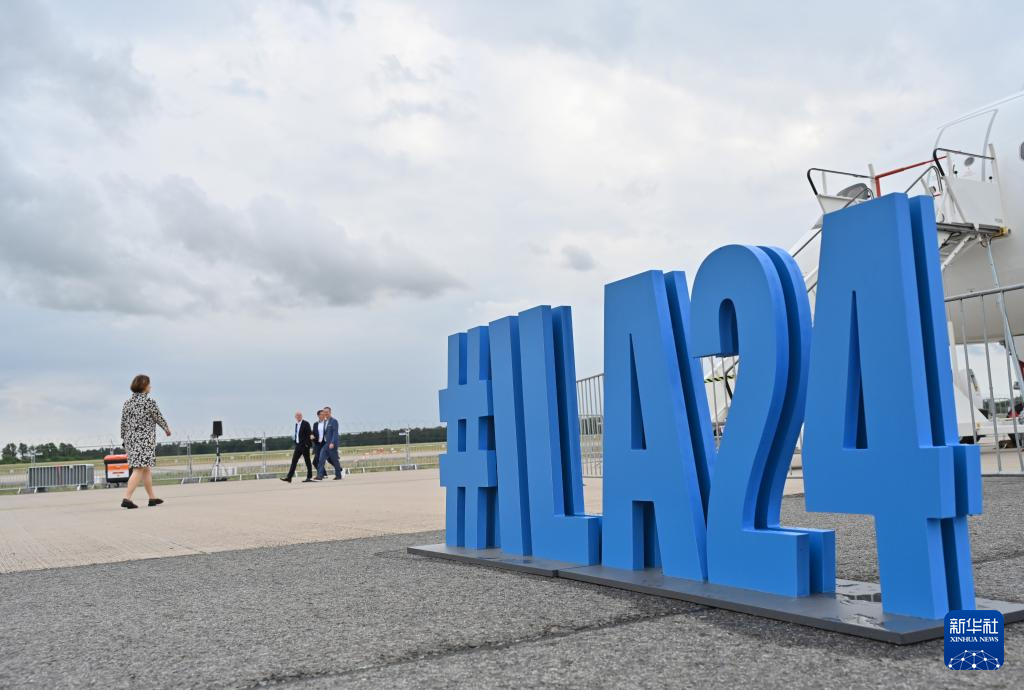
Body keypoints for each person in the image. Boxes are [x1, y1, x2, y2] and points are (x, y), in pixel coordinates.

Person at [119, 374, 171, 509]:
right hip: (144, 440)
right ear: (144, 386)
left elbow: (123, 423)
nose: (150, 387)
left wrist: (124, 439)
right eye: (149, 384)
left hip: (130, 440)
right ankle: (126, 498)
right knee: (138, 469)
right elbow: (158, 417)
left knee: (145, 468)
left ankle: (152, 498)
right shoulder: (149, 402)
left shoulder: (127, 403)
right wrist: (166, 428)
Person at [281, 411, 314, 483]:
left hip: (304, 446)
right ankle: (289, 477)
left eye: (300, 415)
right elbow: (297, 434)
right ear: (295, 417)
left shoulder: (306, 423)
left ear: (302, 416)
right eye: (297, 416)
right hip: (298, 446)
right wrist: (296, 443)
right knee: (294, 461)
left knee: (307, 461)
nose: (299, 417)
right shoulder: (297, 424)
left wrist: (307, 444)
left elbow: (309, 433)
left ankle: (309, 477)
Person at [315, 406, 343, 480]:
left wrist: (332, 443)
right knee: (321, 459)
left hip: (332, 444)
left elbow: (335, 433)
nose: (326, 413)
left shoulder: (334, 421)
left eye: (327, 412)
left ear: (330, 412)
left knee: (334, 460)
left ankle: (338, 475)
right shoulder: (324, 422)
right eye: (324, 412)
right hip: (326, 444)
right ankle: (320, 476)